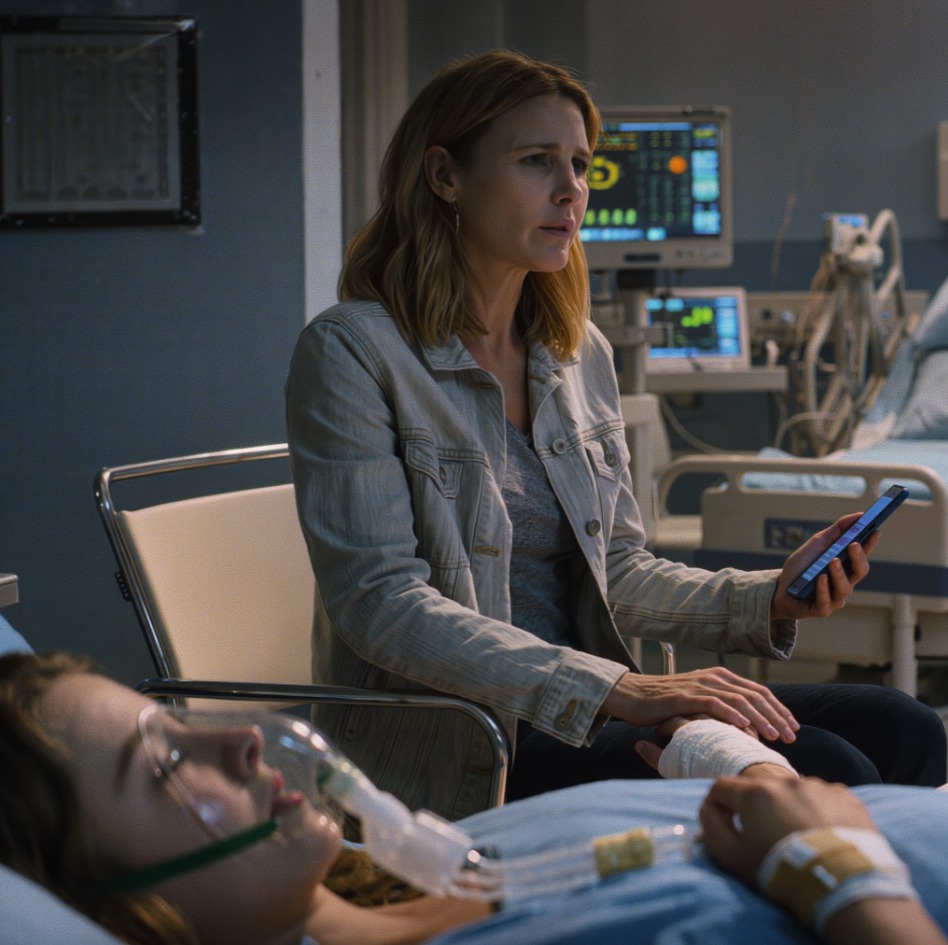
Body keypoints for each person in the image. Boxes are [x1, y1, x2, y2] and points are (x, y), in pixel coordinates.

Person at [285, 48, 946, 822]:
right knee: (829, 765)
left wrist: (768, 597)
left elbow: (620, 570)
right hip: (469, 738)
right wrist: (624, 688)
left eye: (581, 164)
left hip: (587, 706)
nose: (572, 190)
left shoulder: (574, 354)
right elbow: (384, 606)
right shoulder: (355, 352)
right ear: (444, 175)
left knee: (905, 727)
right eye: (538, 161)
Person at [1, 651, 945, 945]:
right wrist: (840, 870)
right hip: (499, 712)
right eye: (164, 767)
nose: (242, 736)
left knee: (893, 724)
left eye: (176, 724)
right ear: (133, 913)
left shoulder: (463, 864)